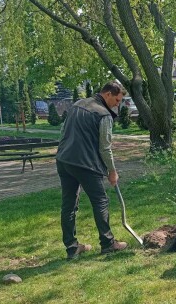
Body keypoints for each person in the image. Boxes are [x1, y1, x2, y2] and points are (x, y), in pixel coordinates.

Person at [56, 81, 128, 259]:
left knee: (69, 205)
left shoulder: (77, 104)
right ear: (108, 94)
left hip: (64, 160)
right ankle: (108, 243)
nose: (117, 105)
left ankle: (72, 248)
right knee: (100, 201)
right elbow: (105, 148)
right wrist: (112, 171)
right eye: (117, 100)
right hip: (86, 164)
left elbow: (63, 132)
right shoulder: (103, 115)